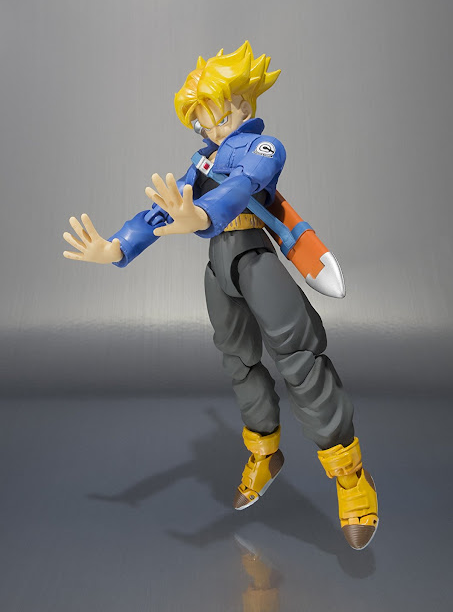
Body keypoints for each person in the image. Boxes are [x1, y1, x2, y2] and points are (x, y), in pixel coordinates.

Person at [63, 41, 378, 550]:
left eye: (219, 117)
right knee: (239, 362)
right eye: (203, 123)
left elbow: (245, 185)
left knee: (299, 361)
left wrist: (203, 214)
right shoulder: (203, 160)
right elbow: (163, 209)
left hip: (256, 260)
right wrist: (118, 247)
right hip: (220, 268)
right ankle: (265, 452)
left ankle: (350, 474)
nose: (212, 130)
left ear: (244, 105)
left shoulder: (264, 148)